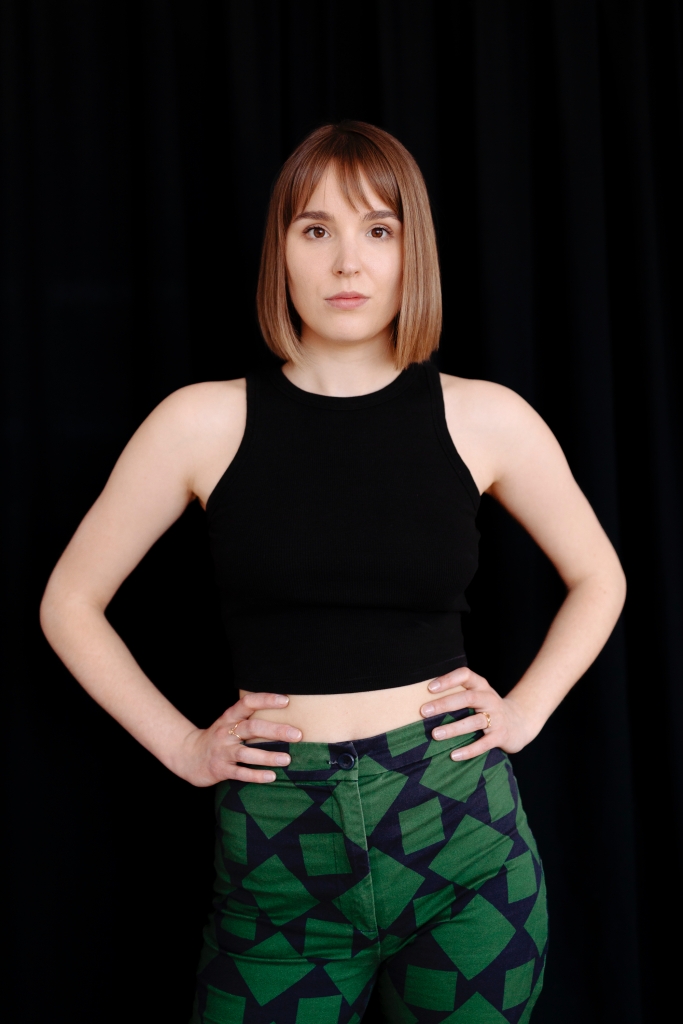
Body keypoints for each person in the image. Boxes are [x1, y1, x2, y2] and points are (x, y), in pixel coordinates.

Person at [40, 121, 626, 1024]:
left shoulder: (485, 417)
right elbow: (70, 602)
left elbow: (599, 576)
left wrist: (526, 709)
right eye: (316, 229)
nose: (347, 261)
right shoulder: (200, 422)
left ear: (411, 253)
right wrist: (182, 745)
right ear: (281, 251)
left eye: (378, 230)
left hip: (461, 838)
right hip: (279, 851)